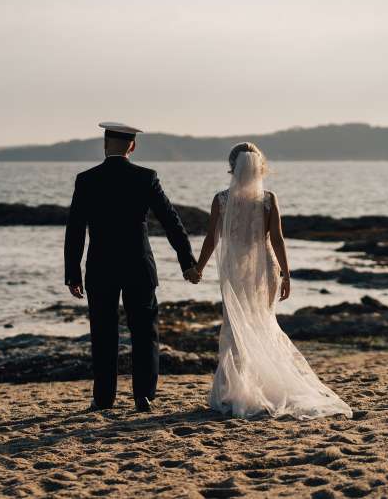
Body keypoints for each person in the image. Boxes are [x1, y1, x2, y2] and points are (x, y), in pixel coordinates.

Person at [191, 142, 353, 419]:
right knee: (262, 325)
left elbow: (212, 238)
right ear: (260, 167)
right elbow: (276, 239)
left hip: (235, 272)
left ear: (232, 167)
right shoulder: (268, 199)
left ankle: (236, 391)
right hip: (265, 270)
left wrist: (199, 268)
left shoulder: (222, 199)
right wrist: (286, 274)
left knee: (235, 329)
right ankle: (258, 389)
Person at [64, 122, 200, 413]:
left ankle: (103, 399)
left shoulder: (86, 180)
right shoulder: (146, 177)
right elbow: (170, 221)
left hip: (100, 266)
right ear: (132, 147)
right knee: (145, 332)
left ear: (104, 144)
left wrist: (72, 273)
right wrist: (187, 261)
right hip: (139, 264)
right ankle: (144, 396)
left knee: (103, 333)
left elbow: (75, 229)